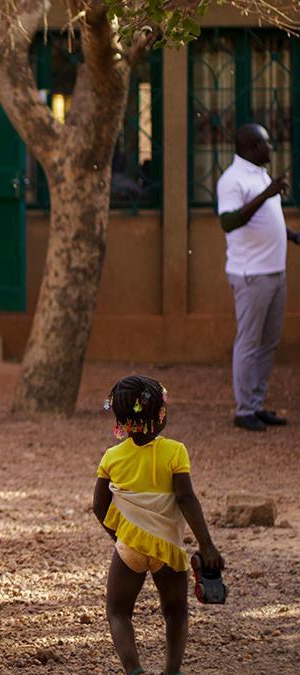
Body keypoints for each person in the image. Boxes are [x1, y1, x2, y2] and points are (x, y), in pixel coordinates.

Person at [92, 375, 224, 675]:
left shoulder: (111, 458)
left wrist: (119, 536)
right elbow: (187, 499)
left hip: (130, 548)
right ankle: (172, 671)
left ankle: (135, 670)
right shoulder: (175, 451)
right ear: (160, 415)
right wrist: (206, 544)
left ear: (120, 420)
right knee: (175, 612)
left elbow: (99, 506)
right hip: (168, 548)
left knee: (118, 611)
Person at [216, 124, 300, 431]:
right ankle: (243, 410)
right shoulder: (232, 180)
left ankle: (257, 404)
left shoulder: (260, 174)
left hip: (275, 271)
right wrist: (268, 193)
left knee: (269, 343)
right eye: (266, 143)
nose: (271, 148)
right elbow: (228, 222)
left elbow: (266, 220)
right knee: (249, 342)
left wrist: (290, 235)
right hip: (251, 275)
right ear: (252, 146)